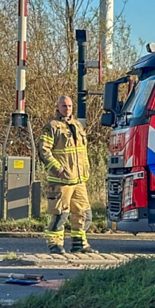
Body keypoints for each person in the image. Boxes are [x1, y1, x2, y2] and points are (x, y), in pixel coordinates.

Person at [36, 95, 96, 254]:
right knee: (59, 214)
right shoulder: (52, 127)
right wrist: (58, 169)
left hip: (79, 180)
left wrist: (86, 169)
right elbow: (43, 151)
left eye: (69, 106)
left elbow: (83, 152)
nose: (67, 108)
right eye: (64, 106)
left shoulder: (77, 125)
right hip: (61, 180)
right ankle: (55, 245)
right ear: (58, 107)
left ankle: (79, 244)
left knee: (83, 213)